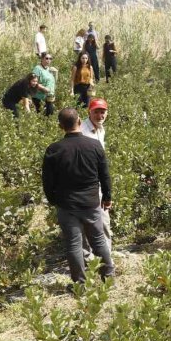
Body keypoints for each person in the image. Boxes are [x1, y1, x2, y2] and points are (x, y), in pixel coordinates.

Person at [42, 108, 114, 285]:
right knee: (98, 242)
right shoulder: (94, 146)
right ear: (80, 122)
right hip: (91, 202)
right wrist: (107, 197)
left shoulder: (54, 150)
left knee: (74, 245)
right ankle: (109, 279)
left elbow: (47, 181)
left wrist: (54, 200)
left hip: (67, 205)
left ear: (60, 126)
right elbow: (104, 175)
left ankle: (80, 285)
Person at [81, 98, 112, 253]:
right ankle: (91, 258)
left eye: (102, 112)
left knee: (104, 219)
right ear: (89, 112)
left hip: (98, 181)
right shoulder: (83, 131)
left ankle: (106, 256)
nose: (100, 115)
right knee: (91, 221)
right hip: (88, 184)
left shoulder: (101, 129)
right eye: (96, 112)